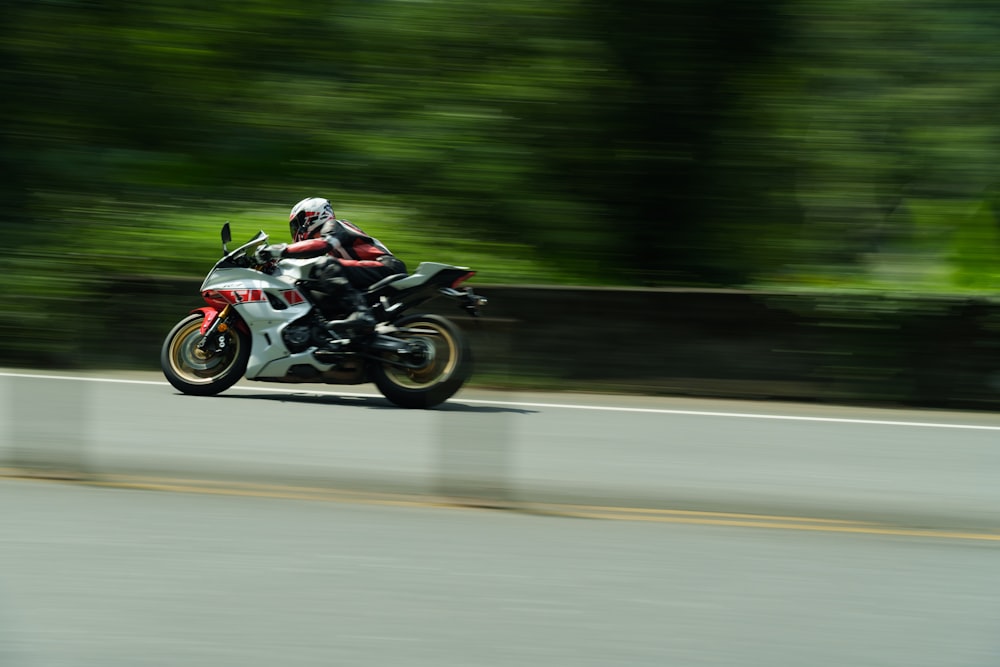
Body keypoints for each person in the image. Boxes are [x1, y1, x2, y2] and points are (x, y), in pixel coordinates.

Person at [254, 197, 407, 341]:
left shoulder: (334, 226)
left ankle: (361, 314)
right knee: (309, 281)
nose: (296, 231)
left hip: (385, 266)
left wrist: (280, 250)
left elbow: (322, 245)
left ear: (309, 218)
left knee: (325, 265)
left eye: (296, 225)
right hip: (369, 272)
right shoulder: (326, 239)